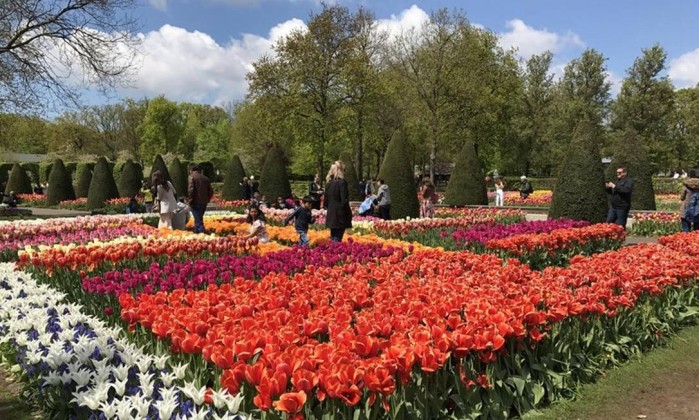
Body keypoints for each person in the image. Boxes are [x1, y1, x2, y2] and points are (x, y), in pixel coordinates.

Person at [325, 161, 352, 242]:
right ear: (341, 170)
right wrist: (348, 214)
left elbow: (326, 201)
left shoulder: (329, 183)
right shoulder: (342, 183)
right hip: (340, 215)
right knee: (337, 240)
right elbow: (344, 200)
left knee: (333, 237)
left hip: (331, 214)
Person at [187, 164, 213, 234]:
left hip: (195, 202)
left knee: (198, 221)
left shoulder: (191, 177)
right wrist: (207, 199)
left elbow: (191, 190)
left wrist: (190, 200)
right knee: (198, 219)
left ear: (191, 170)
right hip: (204, 202)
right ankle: (196, 233)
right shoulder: (205, 178)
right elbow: (211, 191)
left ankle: (203, 236)